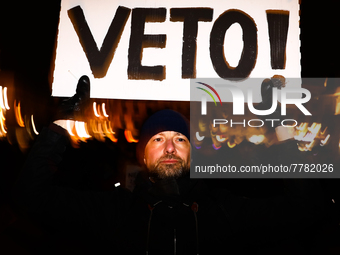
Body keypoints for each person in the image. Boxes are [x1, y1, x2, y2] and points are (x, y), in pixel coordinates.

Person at [12, 76, 325, 255]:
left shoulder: (223, 210)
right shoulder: (116, 211)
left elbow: (306, 207)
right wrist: (61, 125)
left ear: (191, 154)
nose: (171, 147)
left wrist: (280, 129)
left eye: (181, 139)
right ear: (143, 156)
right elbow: (32, 196)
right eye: (158, 140)